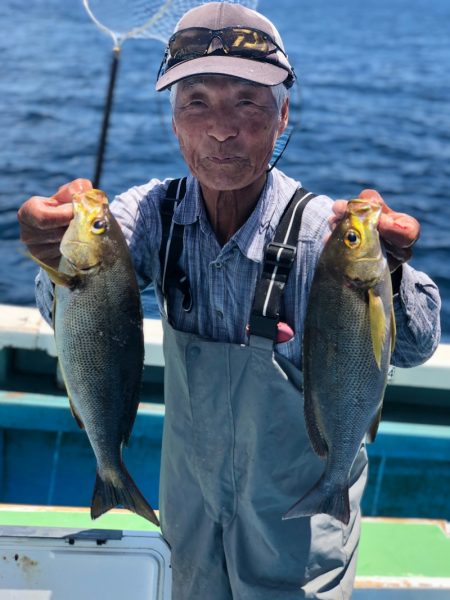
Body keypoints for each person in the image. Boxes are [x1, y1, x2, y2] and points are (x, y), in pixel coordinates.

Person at [18, 3, 441, 598]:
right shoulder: (148, 216)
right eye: (197, 102)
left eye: (247, 101)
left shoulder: (326, 233)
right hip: (188, 531)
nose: (222, 128)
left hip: (299, 546)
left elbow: (418, 345)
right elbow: (68, 310)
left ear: (282, 114)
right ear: (174, 121)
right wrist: (54, 259)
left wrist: (390, 274)